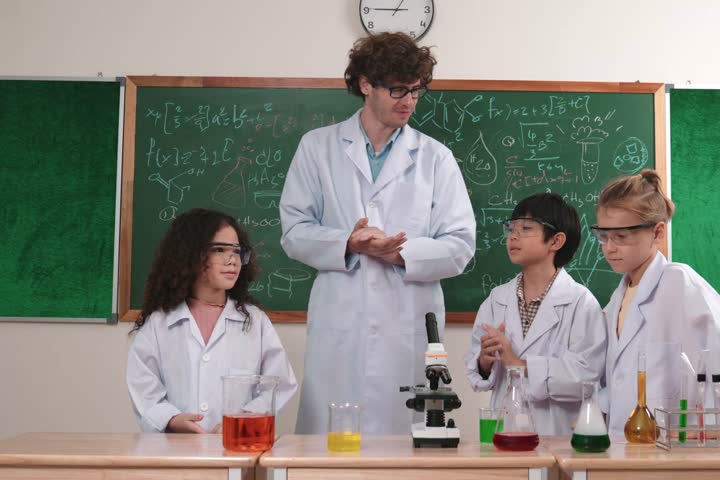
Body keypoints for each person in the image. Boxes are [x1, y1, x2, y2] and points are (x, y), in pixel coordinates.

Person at [279, 32, 476, 434]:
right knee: (330, 447)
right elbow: (294, 231)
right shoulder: (317, 148)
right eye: (398, 90)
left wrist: (402, 255)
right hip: (341, 323)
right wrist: (347, 243)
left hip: (407, 323)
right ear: (366, 84)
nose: (409, 102)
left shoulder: (435, 157)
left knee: (406, 446)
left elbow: (460, 244)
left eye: (417, 91)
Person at [593, 169, 720, 439]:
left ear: (657, 232)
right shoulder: (618, 298)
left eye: (621, 237)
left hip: (677, 448)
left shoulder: (679, 283)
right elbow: (621, 380)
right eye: (603, 237)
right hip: (627, 445)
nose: (609, 247)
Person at [126, 208, 297, 433]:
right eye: (219, 250)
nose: (232, 260)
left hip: (237, 448)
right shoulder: (160, 323)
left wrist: (242, 420)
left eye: (237, 251)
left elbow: (279, 384)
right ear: (191, 255)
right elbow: (143, 385)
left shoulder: (255, 322)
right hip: (175, 451)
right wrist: (172, 419)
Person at [464, 193, 606, 435]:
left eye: (526, 228)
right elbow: (476, 371)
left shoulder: (580, 302)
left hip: (557, 432)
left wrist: (519, 364)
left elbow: (586, 377)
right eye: (511, 228)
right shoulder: (497, 299)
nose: (513, 236)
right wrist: (484, 362)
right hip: (505, 431)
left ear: (556, 241)